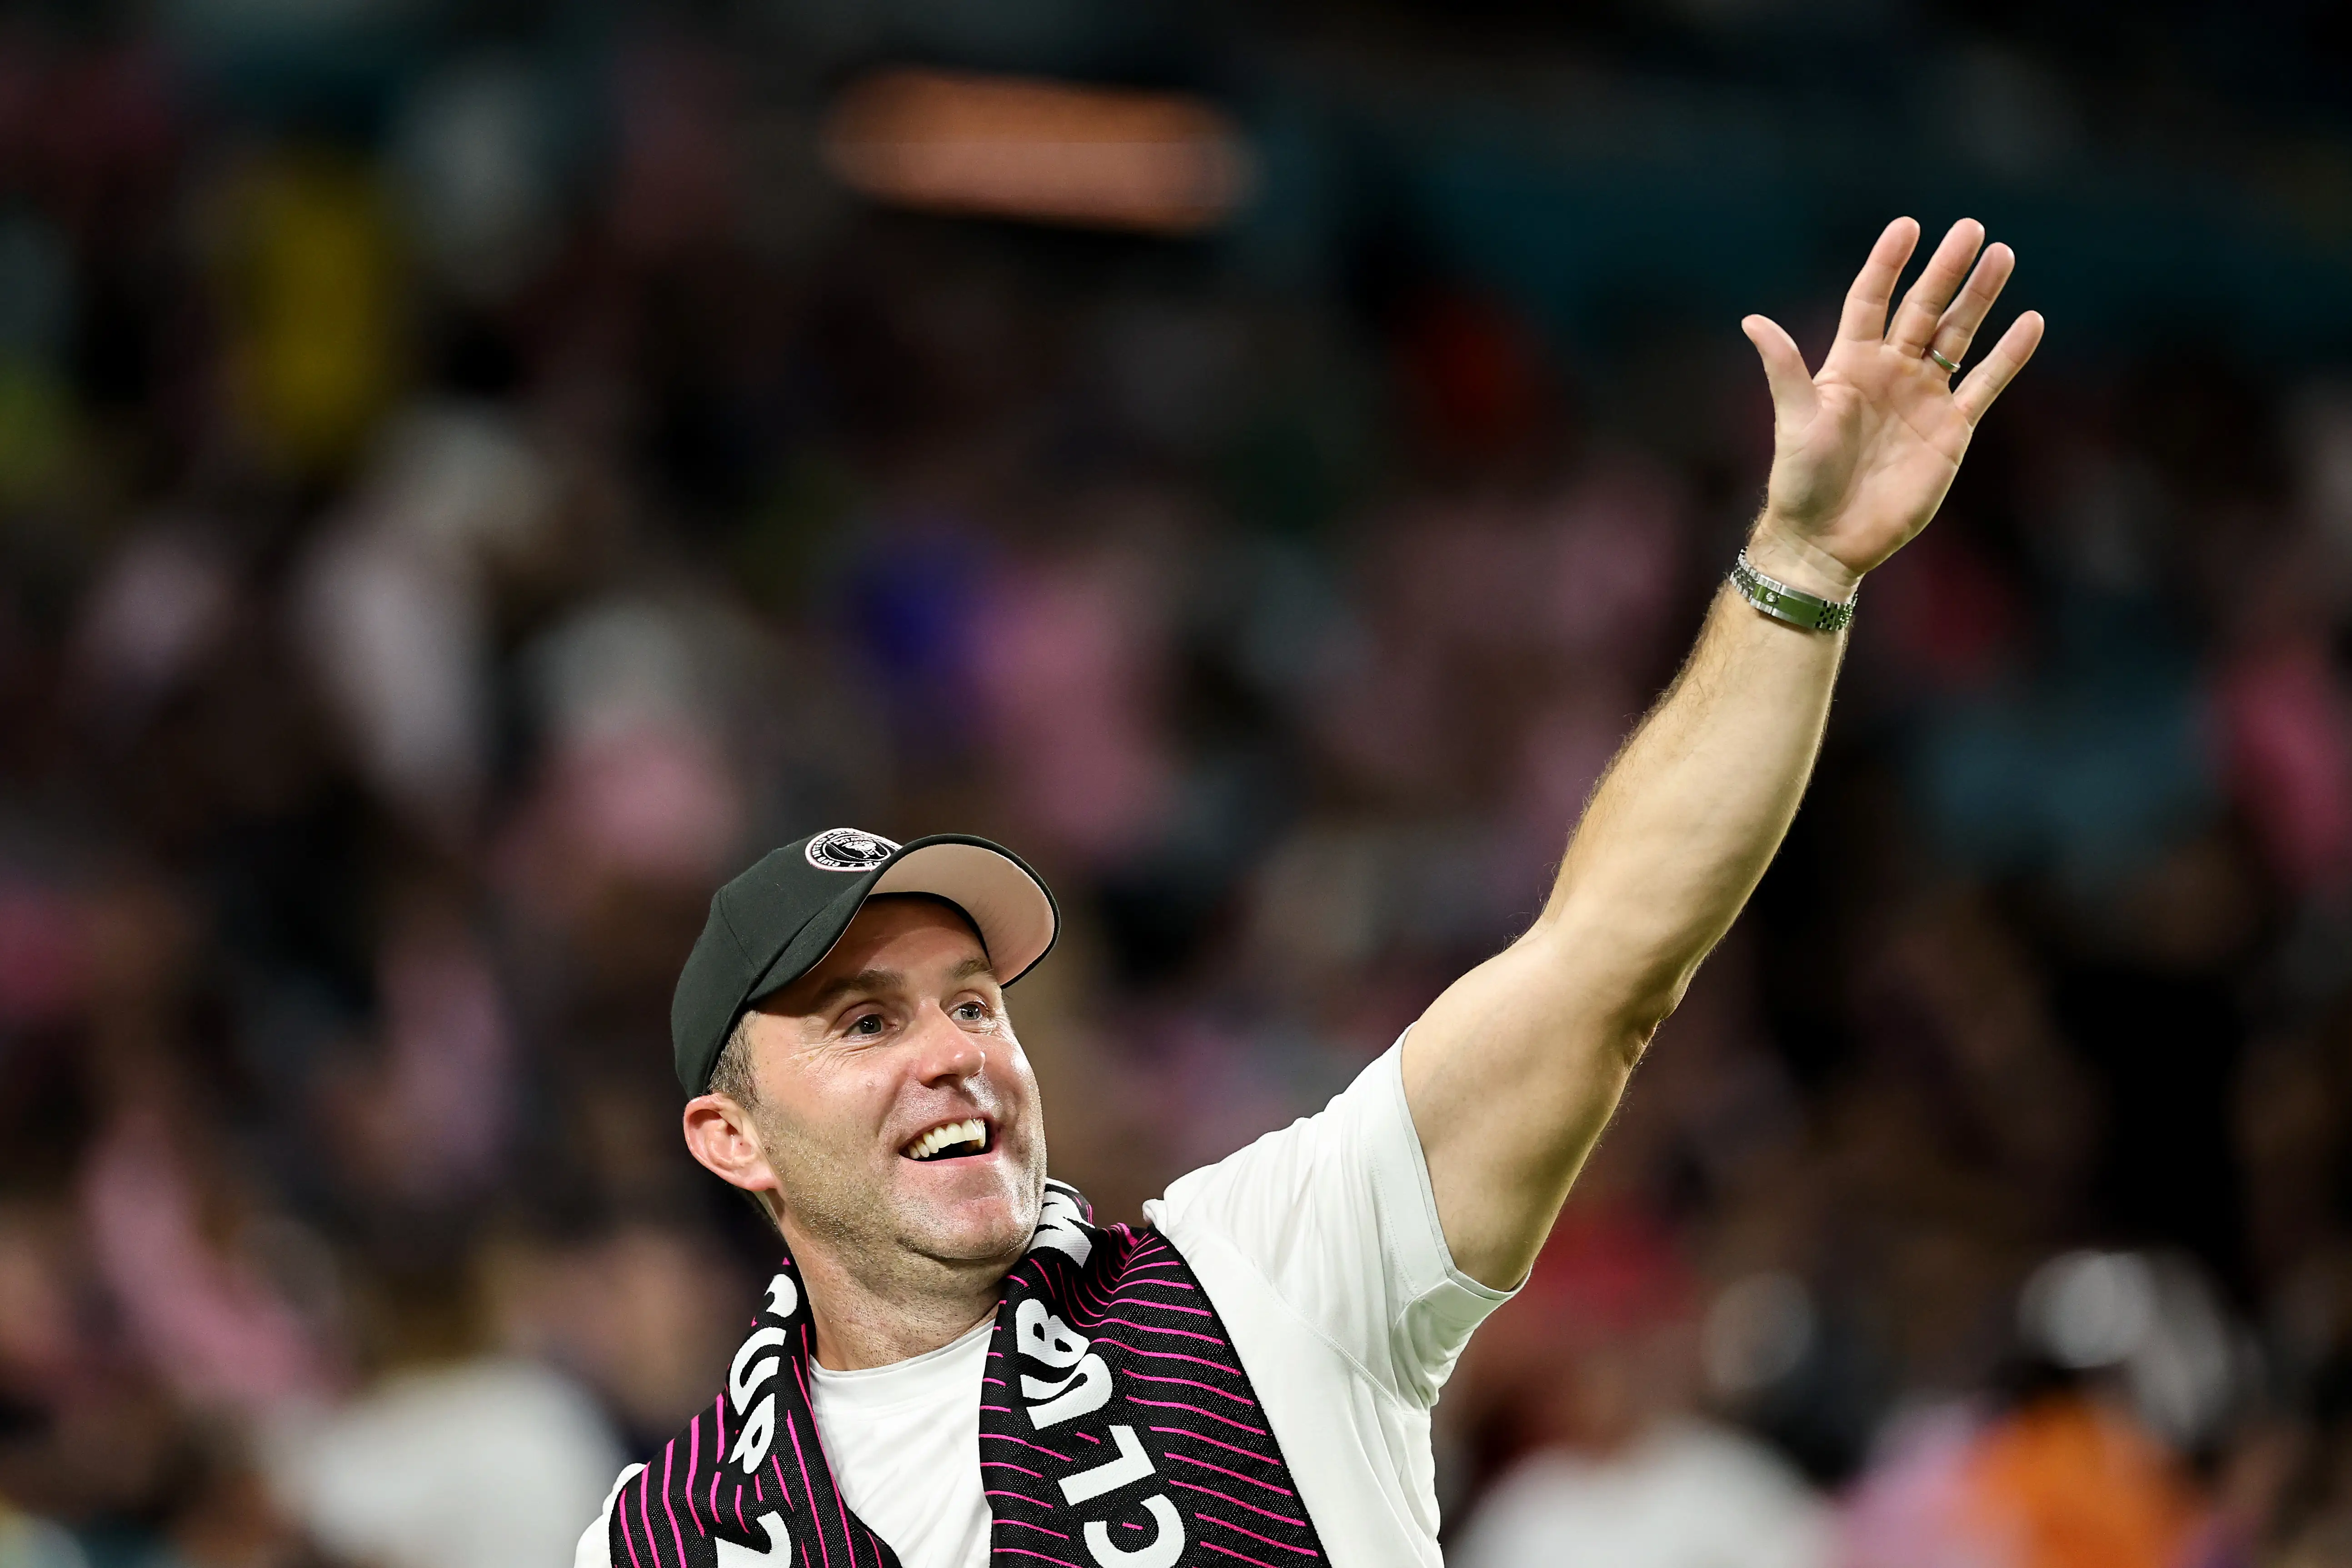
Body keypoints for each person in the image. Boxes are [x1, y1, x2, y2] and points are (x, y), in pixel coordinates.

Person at [574, 216, 2044, 1568]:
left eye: (971, 1001)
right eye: (862, 1024)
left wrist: (1796, 568)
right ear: (730, 1136)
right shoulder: (667, 1539)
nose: (956, 1049)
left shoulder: (1259, 1279)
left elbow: (1605, 962)